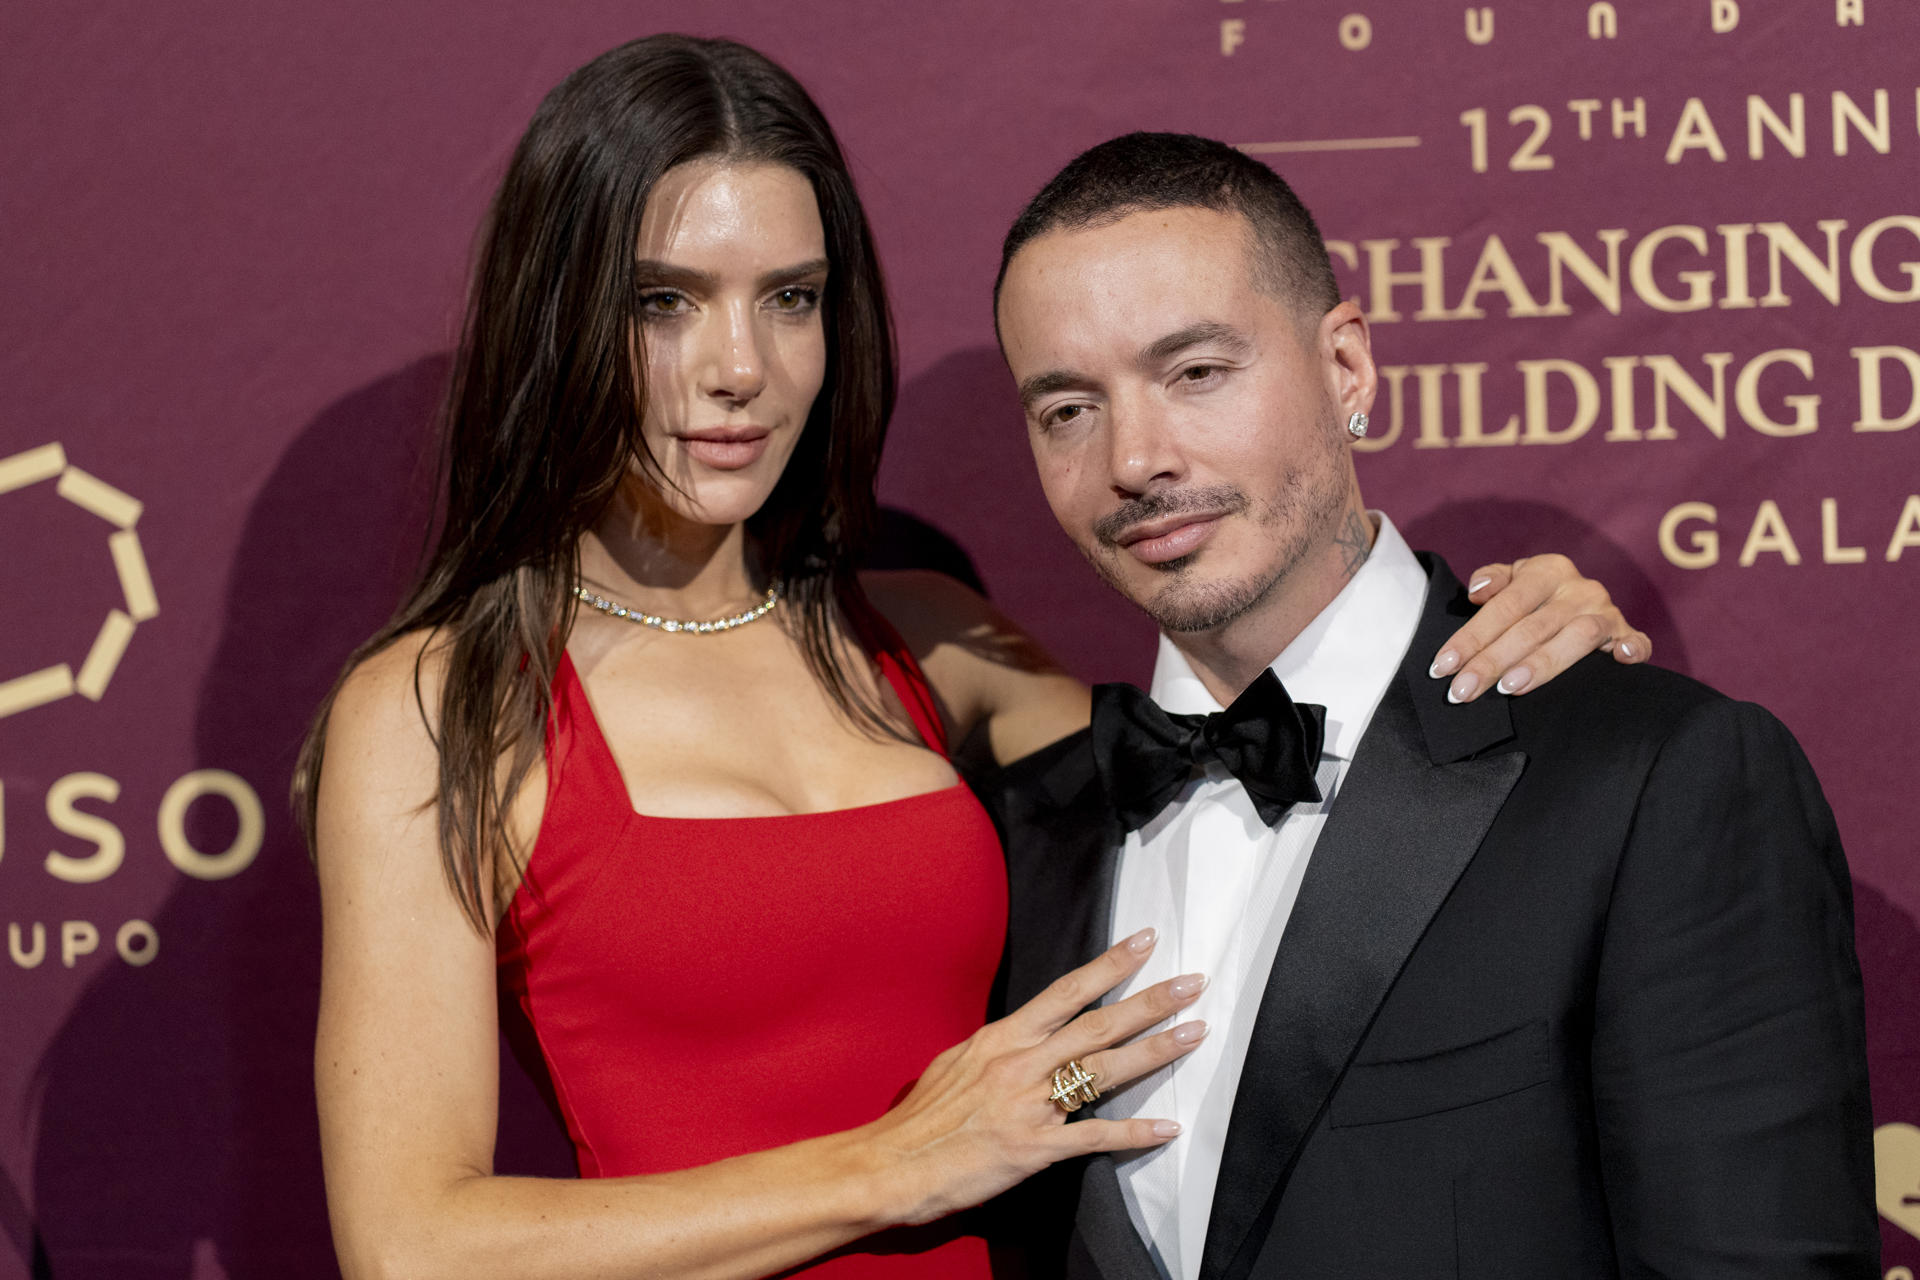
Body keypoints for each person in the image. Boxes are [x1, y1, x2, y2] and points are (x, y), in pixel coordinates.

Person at [297, 37, 1652, 1280]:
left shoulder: (930, 643)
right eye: (665, 301)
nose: (739, 366)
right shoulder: (437, 708)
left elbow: (1264, 771)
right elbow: (411, 1245)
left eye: (791, 298)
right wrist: (897, 1163)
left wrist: (1483, 627)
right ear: (556, 314)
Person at [987, 131, 1879, 1280]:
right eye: (1068, 408)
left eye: (1196, 371)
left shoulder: (1650, 780)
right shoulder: (1016, 835)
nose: (1135, 457)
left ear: (1347, 368)